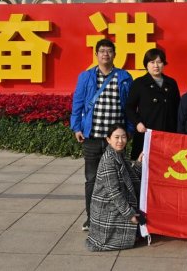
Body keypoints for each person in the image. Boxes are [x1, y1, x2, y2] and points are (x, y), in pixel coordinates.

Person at [70, 39, 134, 231]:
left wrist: (129, 130)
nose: (105, 54)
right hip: (92, 137)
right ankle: (92, 218)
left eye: (109, 51)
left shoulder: (124, 77)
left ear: (115, 54)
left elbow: (130, 107)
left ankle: (117, 218)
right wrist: (76, 127)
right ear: (96, 54)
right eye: (102, 51)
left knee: (118, 179)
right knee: (92, 179)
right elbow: (78, 103)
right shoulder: (86, 77)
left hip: (116, 141)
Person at [86, 123, 142, 251]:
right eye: (116, 137)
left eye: (123, 137)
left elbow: (129, 175)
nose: (120, 141)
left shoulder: (119, 154)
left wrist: (139, 163)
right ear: (108, 139)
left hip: (114, 204)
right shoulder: (108, 160)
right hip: (107, 208)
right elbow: (114, 193)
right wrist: (130, 215)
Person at [126, 48, 180, 159]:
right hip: (146, 132)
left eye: (159, 62)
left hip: (168, 134)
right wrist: (137, 123)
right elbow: (129, 108)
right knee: (143, 165)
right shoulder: (139, 83)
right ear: (146, 64)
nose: (156, 65)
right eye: (152, 62)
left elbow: (178, 108)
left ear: (164, 64)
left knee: (167, 165)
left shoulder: (171, 83)